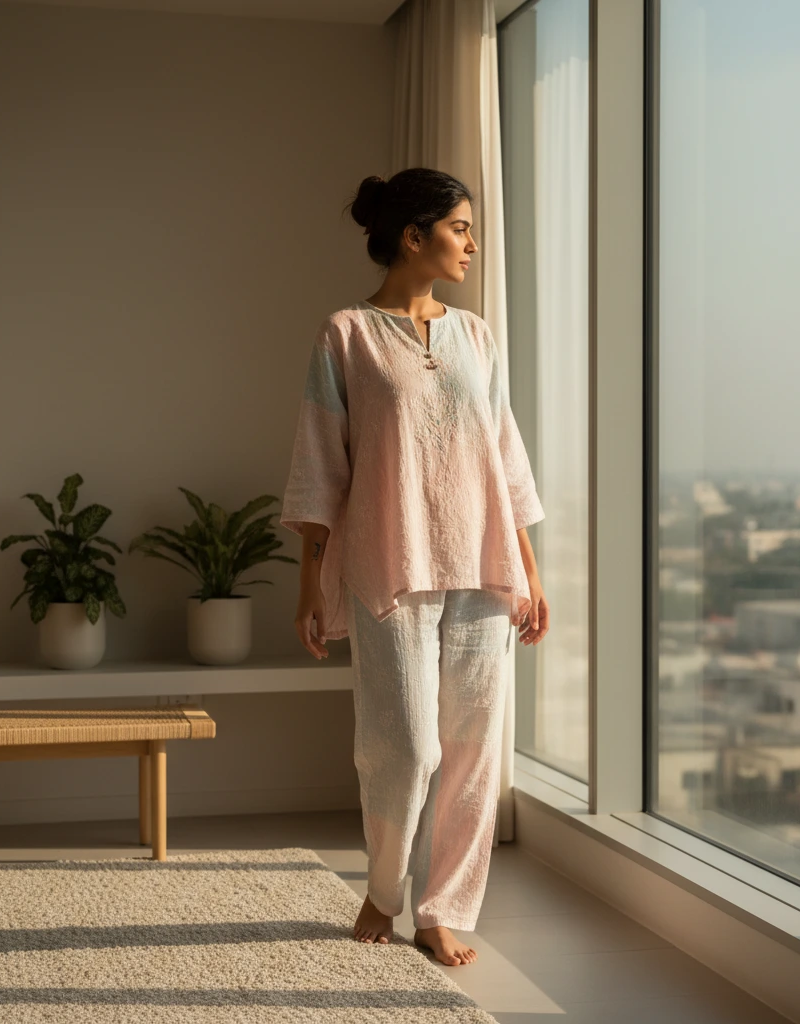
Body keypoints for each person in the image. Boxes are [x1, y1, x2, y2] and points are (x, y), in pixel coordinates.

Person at [279, 167, 549, 967]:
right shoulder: (347, 335)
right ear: (413, 235)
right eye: (459, 227)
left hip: (482, 567)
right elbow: (320, 467)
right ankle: (385, 886)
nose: (470, 243)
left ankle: (440, 908)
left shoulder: (476, 336)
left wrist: (531, 573)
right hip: (389, 566)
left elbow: (505, 458)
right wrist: (308, 587)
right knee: (403, 747)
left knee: (470, 751)